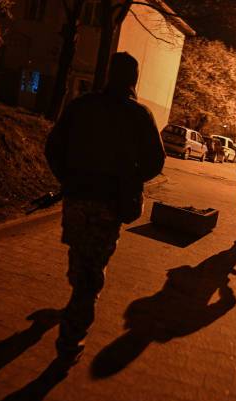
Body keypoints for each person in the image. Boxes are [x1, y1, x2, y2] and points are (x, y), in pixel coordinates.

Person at [45, 52, 165, 364]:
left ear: (109, 73)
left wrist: (68, 178)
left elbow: (53, 146)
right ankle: (69, 345)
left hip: (76, 201)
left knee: (79, 257)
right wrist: (131, 177)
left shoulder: (81, 105)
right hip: (109, 205)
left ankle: (74, 304)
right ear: (134, 80)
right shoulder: (139, 115)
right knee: (91, 275)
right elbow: (155, 162)